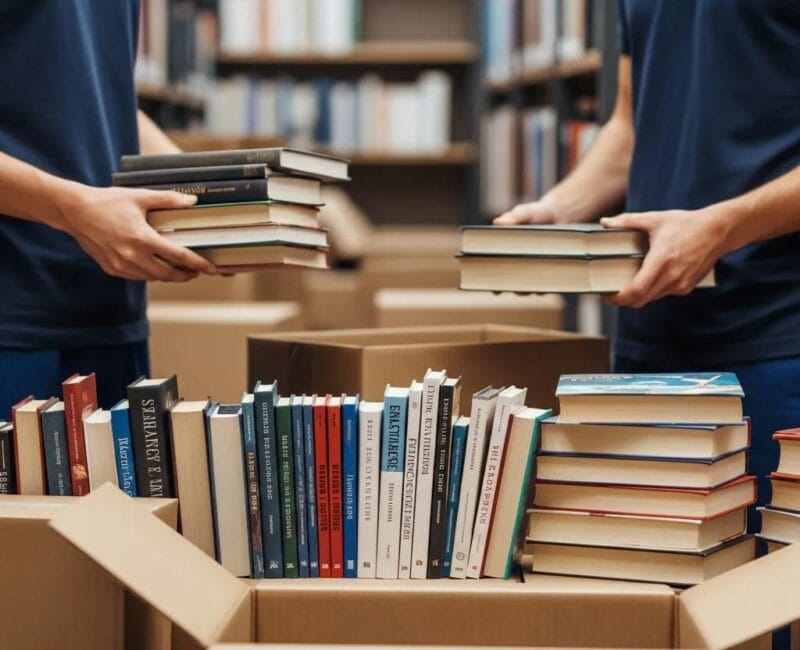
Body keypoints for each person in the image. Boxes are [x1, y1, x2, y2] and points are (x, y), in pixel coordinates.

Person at [495, 0, 800, 510]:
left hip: (776, 337)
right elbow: (631, 124)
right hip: (648, 340)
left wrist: (721, 229)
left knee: (766, 582)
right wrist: (556, 211)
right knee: (638, 572)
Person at [0, 2, 216, 416]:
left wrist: (208, 195)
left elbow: (105, 98)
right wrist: (71, 210)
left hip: (113, 311)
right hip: (15, 321)